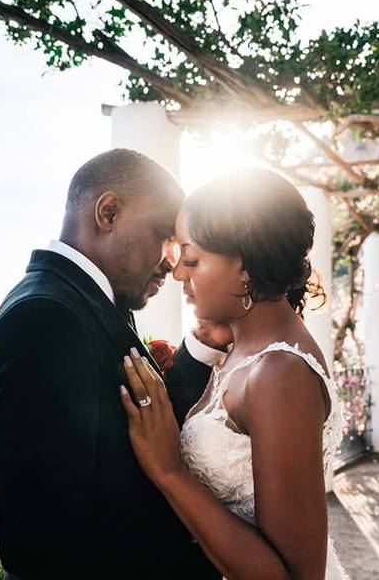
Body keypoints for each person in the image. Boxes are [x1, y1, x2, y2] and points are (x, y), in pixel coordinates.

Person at [0, 149, 221, 578]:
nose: (172, 262)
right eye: (164, 237)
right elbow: (39, 545)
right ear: (108, 212)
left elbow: (136, 429)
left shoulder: (87, 304)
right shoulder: (44, 320)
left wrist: (200, 348)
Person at [119, 168, 349, 579]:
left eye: (191, 259)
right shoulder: (244, 347)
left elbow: (297, 576)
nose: (177, 275)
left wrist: (169, 470)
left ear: (244, 266)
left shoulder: (280, 375)